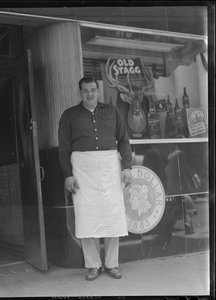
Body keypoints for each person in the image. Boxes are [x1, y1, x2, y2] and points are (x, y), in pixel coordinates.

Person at [58, 76, 132, 281]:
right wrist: (68, 174)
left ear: (98, 91)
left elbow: (124, 140)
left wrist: (127, 167)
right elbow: (64, 148)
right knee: (86, 216)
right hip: (83, 172)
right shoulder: (69, 115)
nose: (89, 94)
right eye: (85, 91)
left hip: (110, 169)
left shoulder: (111, 111)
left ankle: (112, 264)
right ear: (79, 92)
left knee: (112, 215)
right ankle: (92, 265)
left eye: (93, 90)